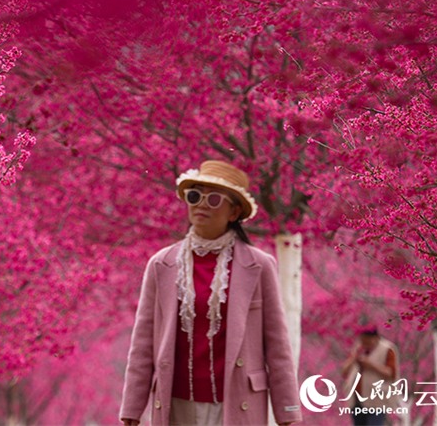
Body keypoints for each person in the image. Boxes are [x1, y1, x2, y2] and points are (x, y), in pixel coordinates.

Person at [119, 160, 302, 426]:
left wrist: (287, 412)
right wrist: (132, 409)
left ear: (234, 212)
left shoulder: (259, 265)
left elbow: (277, 346)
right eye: (195, 196)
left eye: (214, 198)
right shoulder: (162, 264)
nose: (202, 204)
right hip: (175, 402)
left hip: (237, 402)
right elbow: (143, 344)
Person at [341, 326, 399, 426]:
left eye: (367, 342)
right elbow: (344, 371)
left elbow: (391, 373)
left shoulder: (387, 349)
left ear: (376, 338)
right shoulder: (358, 349)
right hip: (356, 399)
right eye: (362, 341)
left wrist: (370, 365)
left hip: (376, 399)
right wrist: (354, 358)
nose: (365, 345)